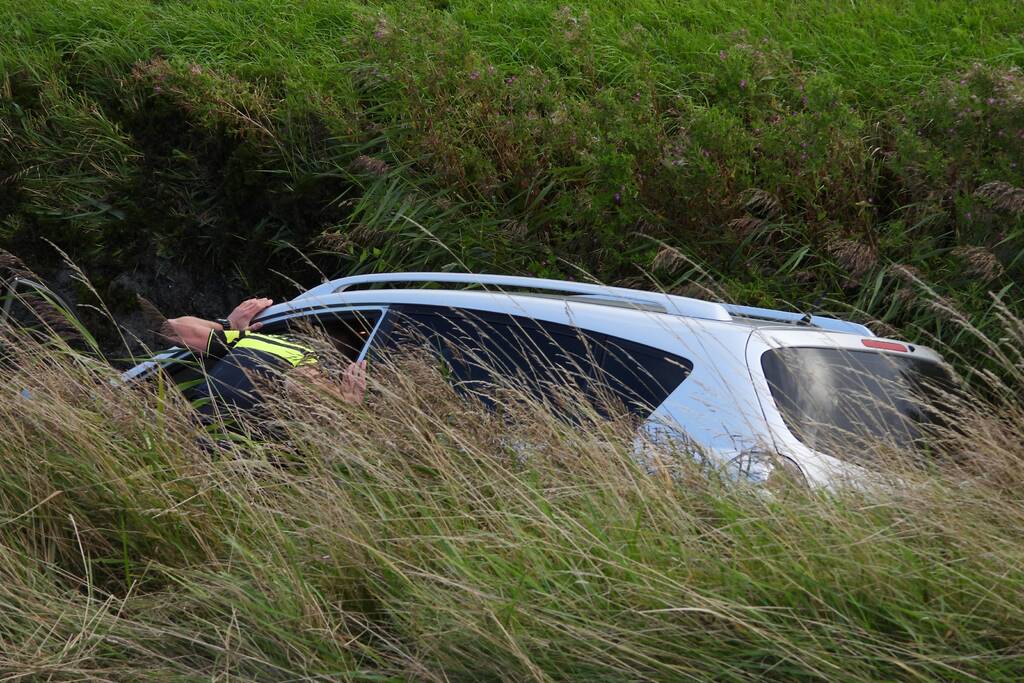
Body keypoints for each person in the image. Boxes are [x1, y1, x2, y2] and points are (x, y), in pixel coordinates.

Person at [162, 297, 366, 419]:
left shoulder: (252, 339)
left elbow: (171, 328)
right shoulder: (306, 355)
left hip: (197, 433)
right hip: (237, 455)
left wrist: (229, 324)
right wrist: (346, 405)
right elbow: (300, 384)